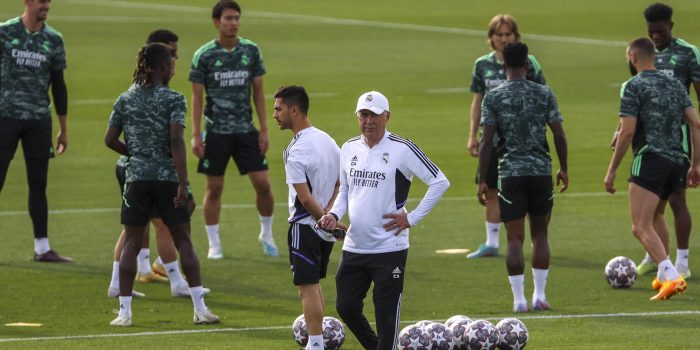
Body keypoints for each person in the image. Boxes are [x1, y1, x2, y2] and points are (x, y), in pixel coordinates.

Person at [318, 91, 450, 350]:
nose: (368, 120)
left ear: (387, 116)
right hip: (354, 246)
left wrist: (411, 218)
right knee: (345, 306)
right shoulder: (348, 148)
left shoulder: (403, 149)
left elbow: (440, 181)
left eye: (374, 115)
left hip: (390, 248)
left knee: (386, 316)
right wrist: (333, 215)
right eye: (363, 114)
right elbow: (345, 191)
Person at [105, 42, 219, 326]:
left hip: (136, 179)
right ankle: (199, 309)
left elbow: (109, 139)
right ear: (163, 68)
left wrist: (134, 153)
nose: (173, 68)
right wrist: (183, 182)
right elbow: (176, 141)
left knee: (131, 242)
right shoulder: (173, 99)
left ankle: (125, 313)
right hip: (166, 178)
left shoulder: (125, 99)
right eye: (171, 63)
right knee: (184, 242)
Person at [604, 37, 700, 301]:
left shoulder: (632, 85)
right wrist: (695, 164)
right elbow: (696, 123)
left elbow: (628, 132)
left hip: (650, 159)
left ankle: (671, 275)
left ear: (632, 57)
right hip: (677, 159)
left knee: (640, 225)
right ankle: (662, 271)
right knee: (657, 215)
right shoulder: (675, 84)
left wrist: (611, 170)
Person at [477, 42, 568, 313]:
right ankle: (540, 295)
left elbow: (486, 142)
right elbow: (559, 135)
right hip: (541, 171)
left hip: (510, 173)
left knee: (514, 239)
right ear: (527, 65)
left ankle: (519, 300)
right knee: (540, 234)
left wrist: (483, 178)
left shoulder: (493, 97)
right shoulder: (544, 93)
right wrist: (564, 168)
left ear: (503, 65)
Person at [190, 0, 278, 259]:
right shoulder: (204, 55)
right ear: (216, 22)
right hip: (216, 132)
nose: (234, 23)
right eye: (228, 18)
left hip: (245, 130)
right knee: (214, 188)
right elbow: (196, 98)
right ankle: (214, 243)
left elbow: (259, 92)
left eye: (237, 18)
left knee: (263, 184)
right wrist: (196, 135)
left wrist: (263, 129)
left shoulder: (250, 51)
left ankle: (266, 233)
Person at [466, 14, 546, 259]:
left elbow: (542, 95)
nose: (503, 39)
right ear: (490, 38)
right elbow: (477, 101)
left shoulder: (529, 62)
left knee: (529, 189)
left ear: (515, 36)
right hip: (491, 138)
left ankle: (536, 240)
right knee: (490, 189)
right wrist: (472, 135)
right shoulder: (482, 65)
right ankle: (491, 243)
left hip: (522, 140)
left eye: (507, 34)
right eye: (498, 35)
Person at [633, 2, 700, 279]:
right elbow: (633, 97)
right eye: (651, 32)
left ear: (671, 26)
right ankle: (654, 254)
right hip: (647, 140)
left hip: (677, 139)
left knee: (676, 199)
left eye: (660, 31)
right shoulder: (642, 53)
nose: (656, 37)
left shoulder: (687, 54)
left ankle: (682, 262)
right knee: (651, 203)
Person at [0, 0, 71, 262]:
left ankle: (42, 247)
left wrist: (63, 129)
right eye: (41, 1)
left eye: (49, 2)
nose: (47, 6)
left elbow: (59, 86)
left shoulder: (54, 39)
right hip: (5, 117)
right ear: (27, 2)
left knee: (39, 183)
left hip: (39, 121)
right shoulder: (5, 32)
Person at [274, 85, 341, 350]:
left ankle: (315, 345)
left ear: (294, 110)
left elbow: (304, 198)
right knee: (315, 285)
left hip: (306, 226)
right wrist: (332, 218)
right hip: (324, 229)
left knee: (307, 287)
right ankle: (318, 340)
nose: (275, 114)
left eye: (278, 109)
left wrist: (324, 219)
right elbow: (340, 184)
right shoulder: (328, 140)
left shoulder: (296, 149)